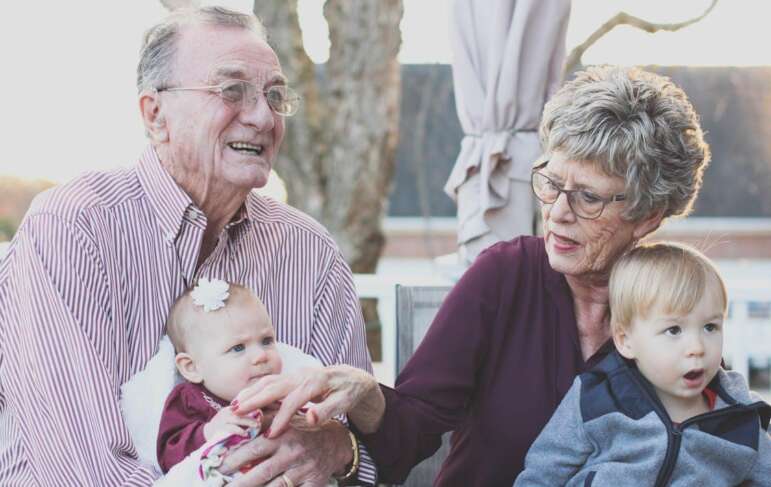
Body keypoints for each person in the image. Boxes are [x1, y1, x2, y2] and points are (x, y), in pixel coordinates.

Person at [229, 66, 715, 486]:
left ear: (648, 215)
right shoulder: (504, 277)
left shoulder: (679, 304)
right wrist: (367, 392)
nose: (558, 214)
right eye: (551, 182)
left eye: (588, 197)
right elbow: (409, 435)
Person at [0, 7, 376, 486]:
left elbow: (357, 450)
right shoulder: (75, 226)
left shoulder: (310, 251)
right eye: (231, 90)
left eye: (275, 96)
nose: (263, 117)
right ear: (156, 116)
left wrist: (339, 452)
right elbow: (80, 468)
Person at [514, 242, 771, 486]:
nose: (697, 347)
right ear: (626, 341)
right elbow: (542, 474)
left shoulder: (741, 418)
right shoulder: (596, 398)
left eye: (710, 327)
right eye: (673, 330)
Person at [156, 279, 281, 473]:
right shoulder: (190, 399)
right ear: (192, 368)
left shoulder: (282, 394)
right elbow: (167, 454)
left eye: (267, 340)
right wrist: (208, 432)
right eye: (238, 347)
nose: (261, 355)